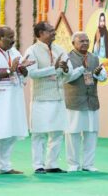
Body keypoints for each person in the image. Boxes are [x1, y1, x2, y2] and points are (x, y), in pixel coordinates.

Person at [0, 26, 33, 175]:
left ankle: (5, 165)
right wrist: (11, 69)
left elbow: (23, 74)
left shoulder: (14, 52)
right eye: (9, 37)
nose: (13, 41)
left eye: (13, 37)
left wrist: (23, 70)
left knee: (11, 132)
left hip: (14, 97)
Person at [25, 22, 71, 174]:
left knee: (57, 132)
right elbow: (31, 73)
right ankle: (38, 165)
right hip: (41, 98)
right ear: (40, 33)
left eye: (53, 30)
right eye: (50, 31)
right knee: (39, 133)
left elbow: (67, 73)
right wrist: (54, 68)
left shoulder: (60, 49)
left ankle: (52, 164)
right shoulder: (32, 51)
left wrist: (65, 70)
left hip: (58, 97)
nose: (54, 33)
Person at [64, 32, 107, 172]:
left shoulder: (94, 57)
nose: (85, 43)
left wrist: (99, 73)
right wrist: (82, 67)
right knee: (73, 133)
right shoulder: (67, 58)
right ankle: (73, 164)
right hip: (74, 102)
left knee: (91, 133)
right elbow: (67, 78)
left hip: (91, 101)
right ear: (73, 43)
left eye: (87, 41)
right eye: (81, 41)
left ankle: (88, 164)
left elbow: (102, 78)